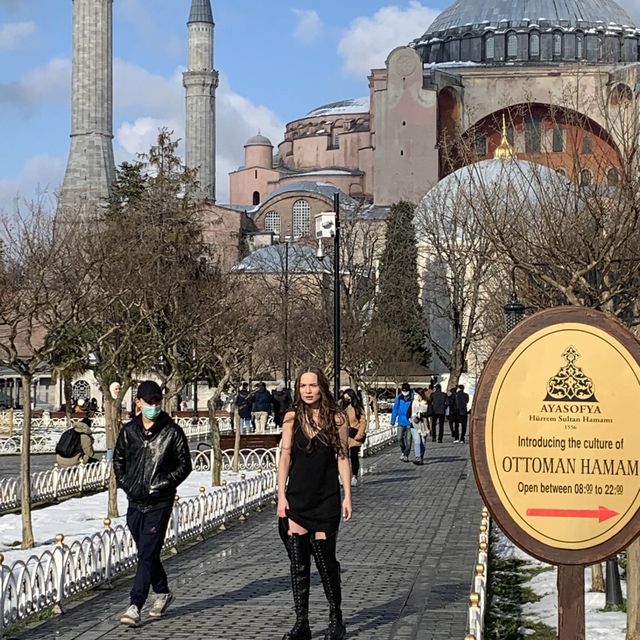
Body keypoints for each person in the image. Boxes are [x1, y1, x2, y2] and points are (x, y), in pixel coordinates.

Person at [277, 366, 352, 640]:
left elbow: (343, 457)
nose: (307, 391)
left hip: (326, 499)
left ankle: (336, 617)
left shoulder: (337, 419)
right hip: (297, 498)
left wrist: (347, 496)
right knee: (298, 563)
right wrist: (281, 495)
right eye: (303, 386)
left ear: (322, 387)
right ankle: (302, 623)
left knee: (325, 560)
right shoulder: (291, 418)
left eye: (312, 385)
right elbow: (285, 456)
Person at [113, 380, 192, 627]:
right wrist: (126, 483)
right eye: (149, 402)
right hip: (135, 501)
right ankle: (162, 591)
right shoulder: (129, 431)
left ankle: (135, 604)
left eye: (158, 402)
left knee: (147, 551)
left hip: (159, 501)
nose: (154, 407)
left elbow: (184, 465)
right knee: (147, 552)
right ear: (139, 402)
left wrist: (164, 483)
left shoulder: (172, 431)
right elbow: (118, 460)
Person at [339, 388, 367, 486]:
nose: (346, 398)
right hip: (343, 436)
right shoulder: (341, 407)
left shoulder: (357, 408)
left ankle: (354, 476)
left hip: (354, 435)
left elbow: (363, 421)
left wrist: (360, 433)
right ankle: (343, 476)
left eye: (348, 396)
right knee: (343, 456)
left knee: (354, 456)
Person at [390, 382, 413, 462]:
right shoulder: (399, 398)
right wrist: (393, 420)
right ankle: (403, 451)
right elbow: (395, 409)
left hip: (410, 422)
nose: (405, 392)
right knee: (399, 438)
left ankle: (406, 455)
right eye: (403, 391)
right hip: (401, 421)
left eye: (406, 391)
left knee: (409, 440)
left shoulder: (412, 398)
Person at [105, 381, 123, 463]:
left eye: (119, 389)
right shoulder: (109, 400)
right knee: (111, 445)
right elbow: (108, 414)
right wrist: (109, 425)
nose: (118, 390)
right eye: (116, 389)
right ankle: (108, 464)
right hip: (111, 425)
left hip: (117, 424)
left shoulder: (118, 400)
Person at [410, 389, 429, 465]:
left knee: (423, 442)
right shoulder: (413, 402)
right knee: (417, 441)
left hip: (424, 424)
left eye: (417, 394)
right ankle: (418, 457)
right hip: (414, 424)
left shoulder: (426, 402)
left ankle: (421, 457)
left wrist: (423, 415)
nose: (416, 396)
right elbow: (409, 412)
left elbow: (430, 412)